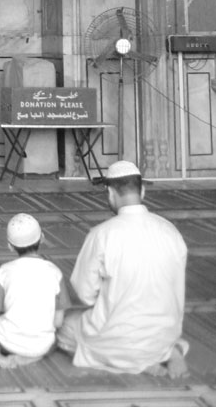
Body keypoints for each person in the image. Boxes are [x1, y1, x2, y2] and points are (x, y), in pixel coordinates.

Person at [57, 159, 189, 376]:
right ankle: (166, 353)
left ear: (109, 192)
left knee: (63, 325)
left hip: (119, 340)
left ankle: (133, 362)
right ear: (143, 191)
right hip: (163, 334)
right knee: (155, 324)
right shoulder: (171, 232)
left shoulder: (101, 234)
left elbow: (85, 293)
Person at [0, 212, 70, 369]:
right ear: (42, 238)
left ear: (10, 246)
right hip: (41, 344)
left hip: (5, 340)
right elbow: (58, 322)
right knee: (55, 341)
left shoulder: (5, 271)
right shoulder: (55, 272)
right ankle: (30, 357)